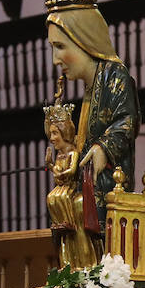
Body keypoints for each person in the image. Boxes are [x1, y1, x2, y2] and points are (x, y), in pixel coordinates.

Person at [42, 0, 140, 242]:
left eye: (60, 47)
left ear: (84, 39)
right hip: (85, 180)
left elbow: (126, 121)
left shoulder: (114, 75)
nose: (55, 59)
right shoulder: (88, 86)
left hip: (109, 182)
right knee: (59, 203)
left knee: (77, 208)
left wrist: (101, 148)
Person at [43, 99, 99, 269]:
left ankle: (67, 220)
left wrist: (59, 171)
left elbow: (72, 171)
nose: (52, 138)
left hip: (70, 189)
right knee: (52, 197)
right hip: (61, 187)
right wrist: (50, 165)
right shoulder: (59, 155)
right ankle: (61, 222)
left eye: (55, 134)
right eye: (50, 134)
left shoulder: (73, 153)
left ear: (64, 132)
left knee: (63, 196)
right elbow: (57, 177)